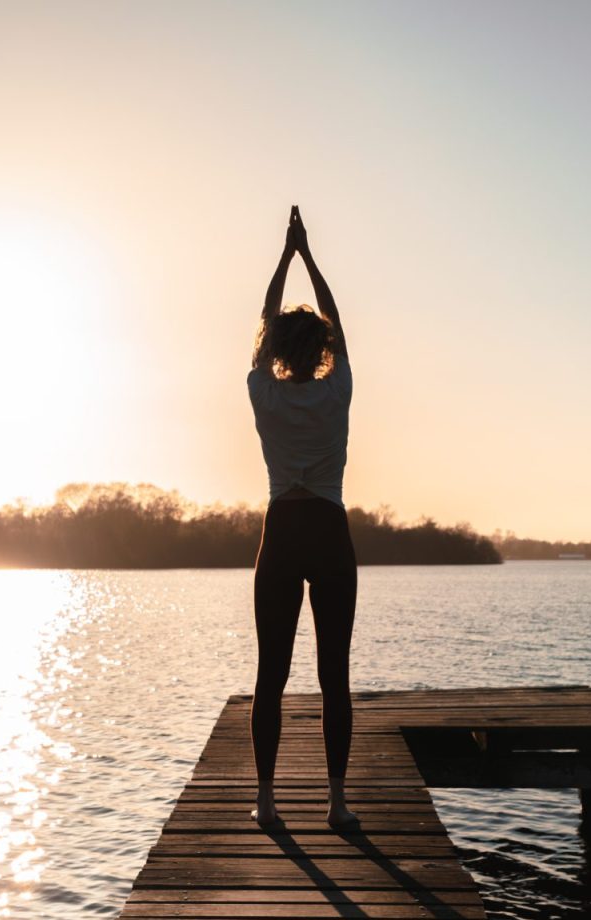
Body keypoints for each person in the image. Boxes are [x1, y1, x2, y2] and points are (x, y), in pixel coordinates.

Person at [246, 205, 358, 829]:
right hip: (330, 533)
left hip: (282, 534)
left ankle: (266, 802)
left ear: (275, 351)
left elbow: (262, 324)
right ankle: (337, 803)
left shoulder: (263, 393)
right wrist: (309, 257)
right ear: (322, 350)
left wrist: (283, 257)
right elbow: (337, 322)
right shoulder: (336, 390)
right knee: (333, 673)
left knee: (272, 673)